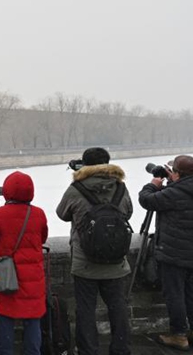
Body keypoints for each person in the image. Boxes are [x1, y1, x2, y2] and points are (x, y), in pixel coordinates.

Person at [56, 147, 132, 355]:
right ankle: (121, 348)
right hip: (116, 262)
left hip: (85, 263)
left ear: (85, 164)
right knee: (118, 308)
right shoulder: (120, 188)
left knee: (86, 310)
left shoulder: (76, 188)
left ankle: (88, 350)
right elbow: (129, 212)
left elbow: (62, 213)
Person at [139, 155, 193, 351]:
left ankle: (179, 335)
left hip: (173, 253)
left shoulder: (175, 192)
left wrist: (153, 184)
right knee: (192, 293)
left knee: (175, 295)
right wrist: (171, 182)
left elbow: (146, 201)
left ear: (176, 173)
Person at [0, 171, 48, 355]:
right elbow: (42, 238)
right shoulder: (39, 213)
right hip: (33, 277)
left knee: (6, 318)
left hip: (8, 275)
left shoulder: (1, 214)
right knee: (33, 320)